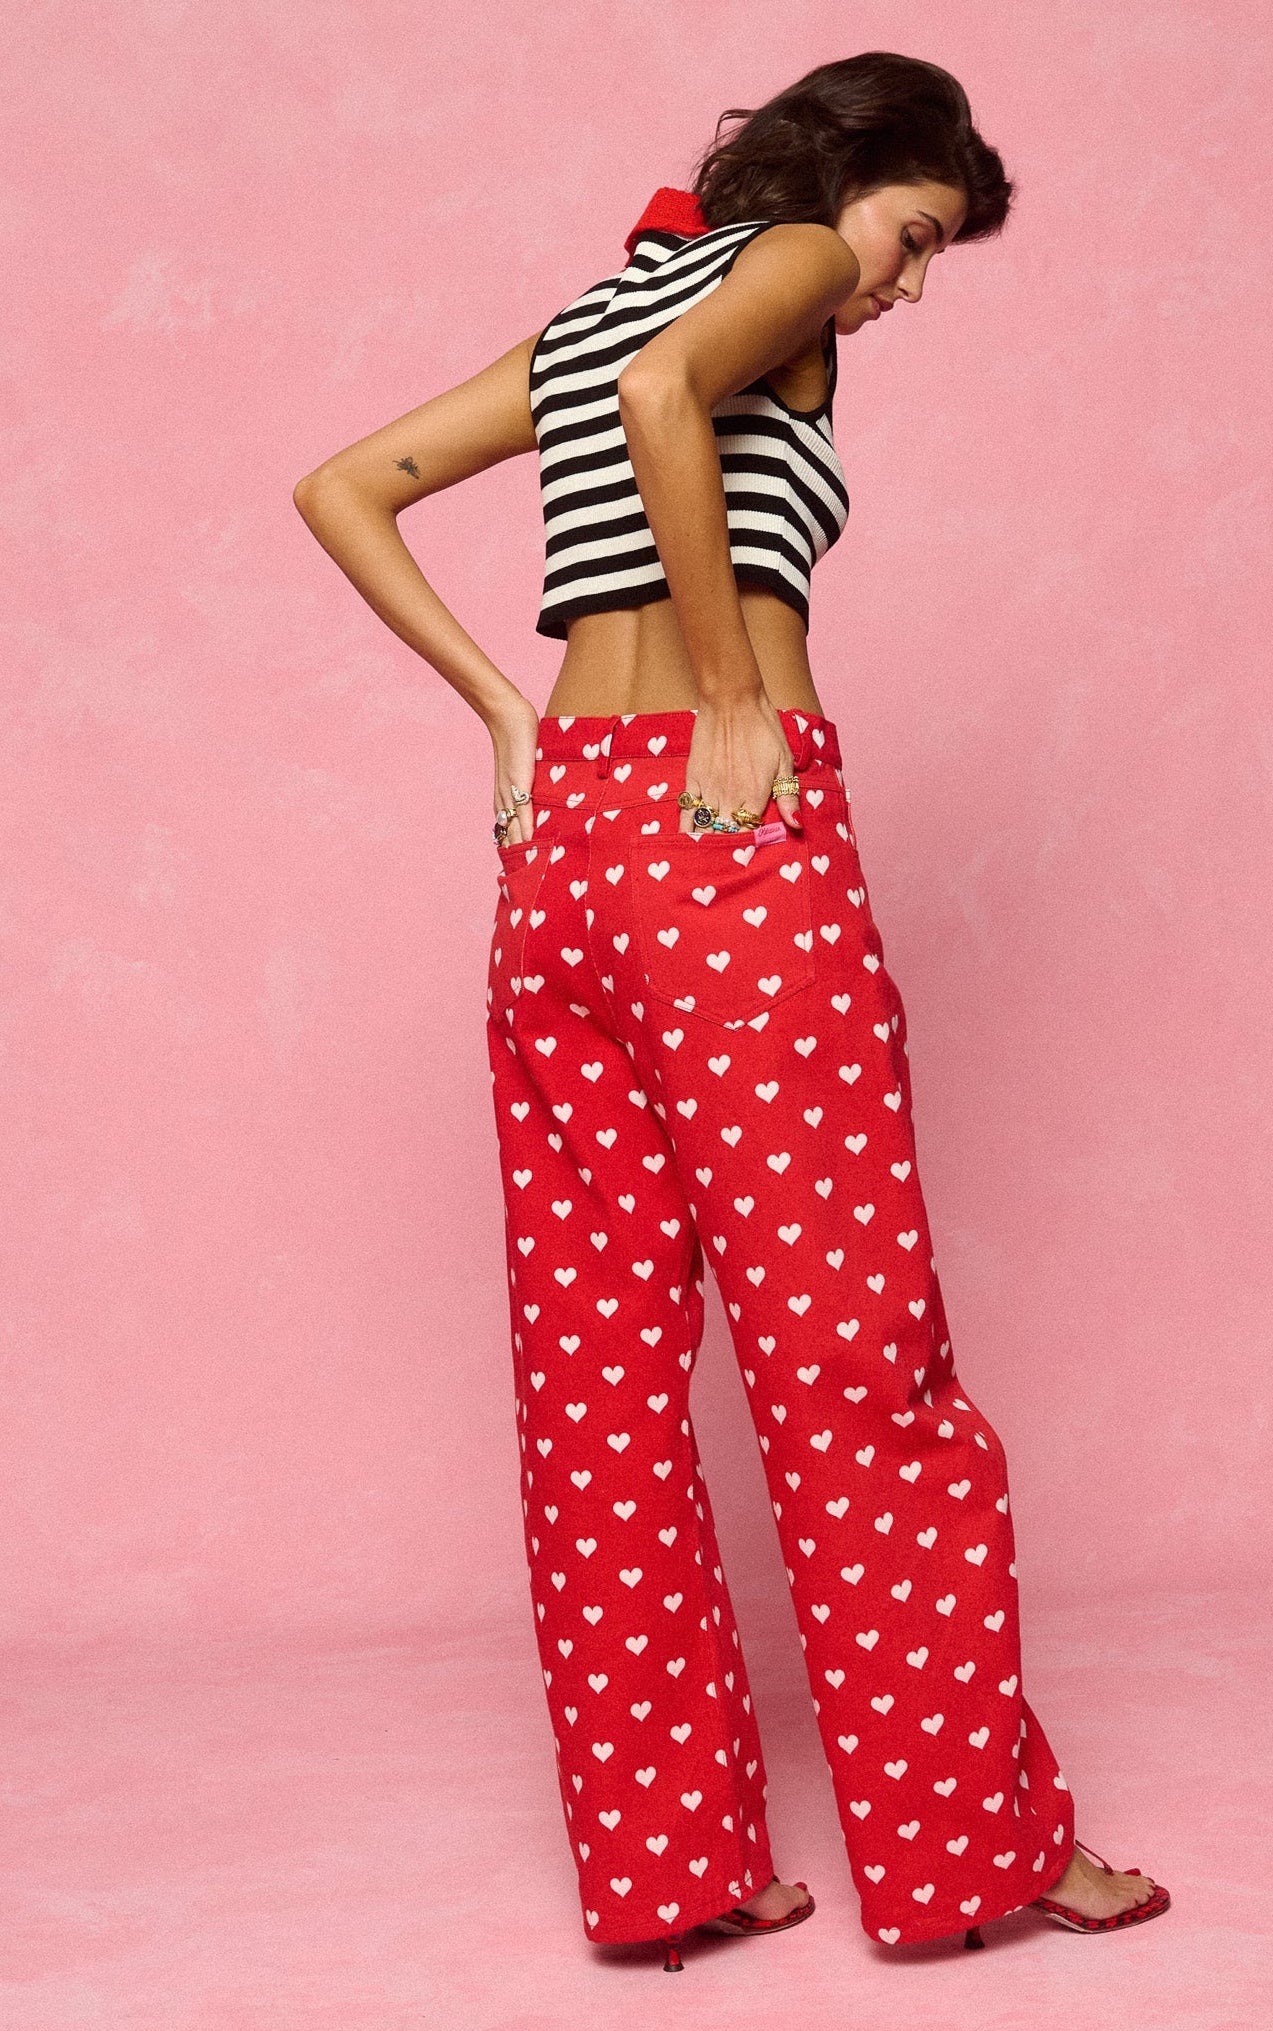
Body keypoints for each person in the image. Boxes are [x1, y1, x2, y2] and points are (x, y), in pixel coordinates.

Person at [293, 50, 1169, 1973]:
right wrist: (730, 691)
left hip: (565, 861)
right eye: (916, 234)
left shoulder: (604, 294)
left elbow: (342, 485)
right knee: (859, 1362)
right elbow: (664, 397)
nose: (903, 283)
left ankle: (666, 1870)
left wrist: (508, 714)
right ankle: (967, 1859)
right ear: (854, 173)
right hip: (722, 849)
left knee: (596, 1384)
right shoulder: (782, 266)